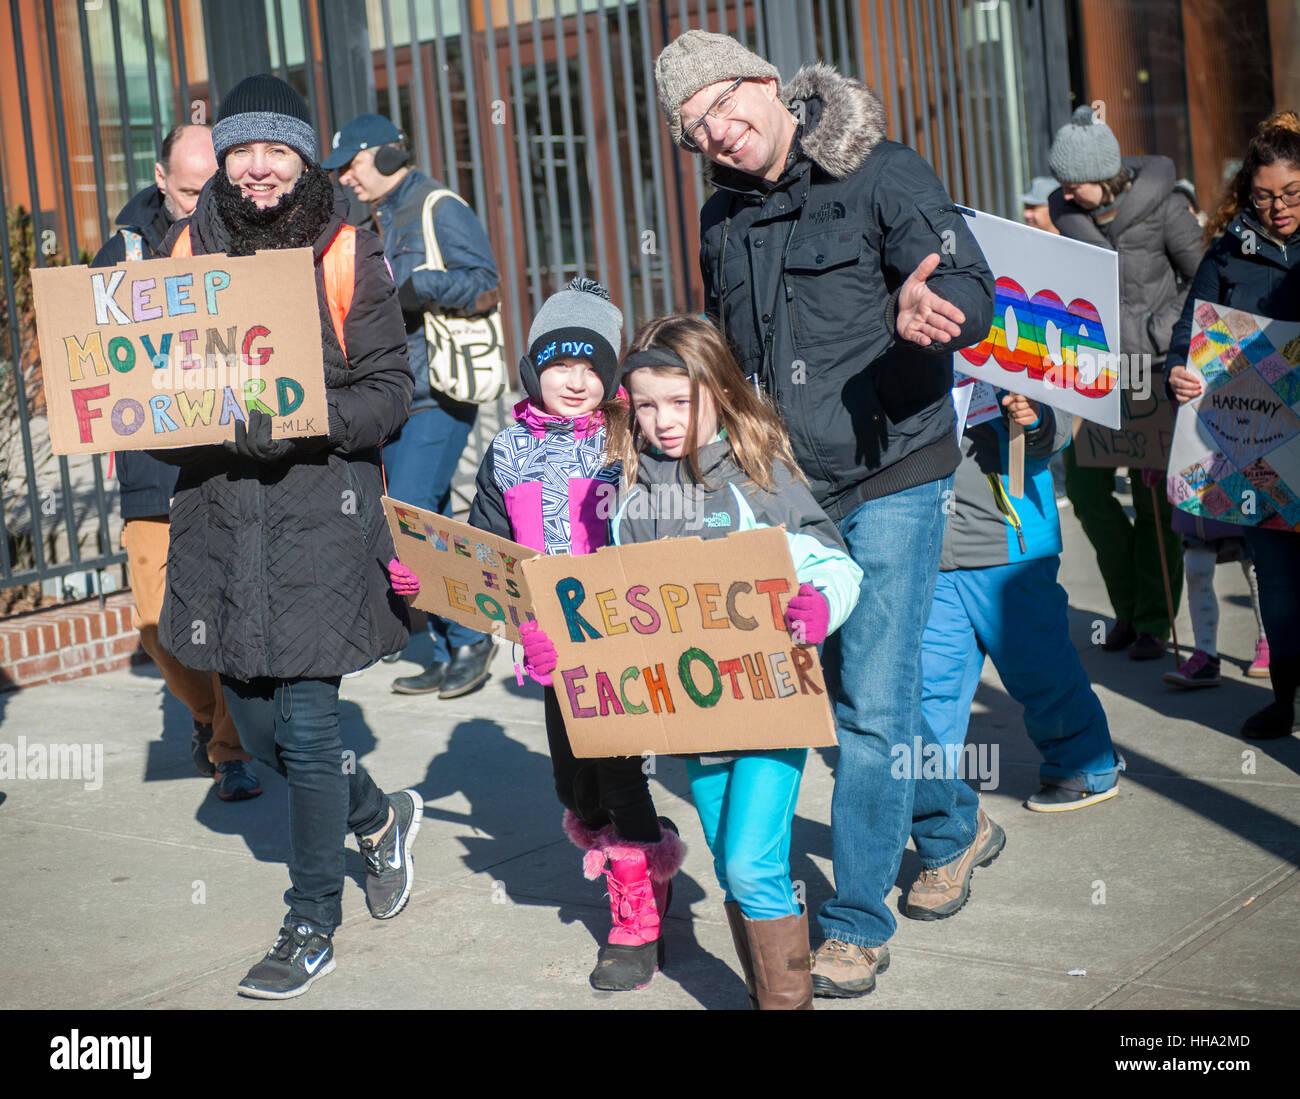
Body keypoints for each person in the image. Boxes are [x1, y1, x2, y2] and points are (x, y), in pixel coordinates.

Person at [653, 31, 1000, 1000]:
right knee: (827, 704)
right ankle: (949, 820)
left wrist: (947, 310)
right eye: (694, 129)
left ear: (767, 86)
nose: (717, 133)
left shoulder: (881, 169)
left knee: (869, 707)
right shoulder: (722, 215)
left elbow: (964, 278)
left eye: (723, 106)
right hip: (788, 488)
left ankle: (853, 922)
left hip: (895, 469)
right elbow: (727, 346)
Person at [153, 75, 421, 998]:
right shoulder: (184, 247)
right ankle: (377, 818)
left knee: (308, 730)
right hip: (226, 528)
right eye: (243, 151)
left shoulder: (348, 242)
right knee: (260, 732)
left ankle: (311, 922)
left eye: (278, 151)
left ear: (305, 156)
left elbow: (390, 389)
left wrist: (302, 419)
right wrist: (211, 424)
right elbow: (152, 400)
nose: (260, 168)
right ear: (221, 158)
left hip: (322, 520)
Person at [390, 278, 686, 992]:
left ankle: (636, 915)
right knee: (575, 789)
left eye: (592, 366)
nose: (577, 381)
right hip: (548, 651)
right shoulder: (509, 446)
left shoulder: (629, 439)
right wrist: (429, 581)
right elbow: (483, 545)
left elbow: (667, 522)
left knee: (617, 773)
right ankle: (641, 852)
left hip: (619, 642)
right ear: (534, 369)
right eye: (560, 365)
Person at [598, 313, 861, 1009]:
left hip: (771, 706)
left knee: (749, 865)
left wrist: (819, 606)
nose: (662, 419)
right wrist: (564, 646)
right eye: (646, 403)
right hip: (695, 719)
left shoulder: (757, 476)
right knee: (730, 859)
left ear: (717, 391)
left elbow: (833, 563)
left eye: (680, 401)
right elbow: (611, 607)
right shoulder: (628, 496)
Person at [91, 124, 261, 801]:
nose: (201, 203)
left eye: (212, 188)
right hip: (152, 467)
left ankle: (232, 747)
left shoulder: (248, 236)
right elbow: (94, 352)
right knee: (159, 619)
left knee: (233, 612)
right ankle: (204, 716)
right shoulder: (122, 251)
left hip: (231, 457)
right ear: (161, 180)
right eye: (190, 190)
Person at [327, 114, 499, 700]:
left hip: (438, 391)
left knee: (407, 511)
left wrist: (419, 287)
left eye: (351, 164)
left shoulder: (437, 204)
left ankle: (472, 638)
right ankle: (450, 648)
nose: (346, 178)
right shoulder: (377, 214)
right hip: (399, 391)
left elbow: (484, 282)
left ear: (383, 155)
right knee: (426, 516)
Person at [1048, 105, 1203, 661]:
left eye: (1076, 183)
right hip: (1094, 374)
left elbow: (1201, 277)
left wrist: (1159, 332)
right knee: (1088, 497)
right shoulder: (1067, 216)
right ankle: (1126, 609)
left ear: (1106, 175)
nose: (1067, 193)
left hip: (1153, 371)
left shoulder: (1165, 208)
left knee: (1152, 501)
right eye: (1062, 183)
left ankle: (1153, 623)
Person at [922, 390, 1125, 810]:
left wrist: (1036, 419)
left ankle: (1086, 765)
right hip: (931, 549)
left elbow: (1058, 429)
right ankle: (930, 797)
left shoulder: (1017, 334)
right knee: (931, 682)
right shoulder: (914, 337)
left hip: (1010, 547)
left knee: (1039, 668)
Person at [1167, 110, 1300, 739]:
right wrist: (1179, 375)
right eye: (1265, 196)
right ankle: (1288, 699)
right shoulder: (1226, 253)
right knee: (1276, 587)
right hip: (1258, 451)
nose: (1278, 208)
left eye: (1292, 194)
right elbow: (1187, 337)